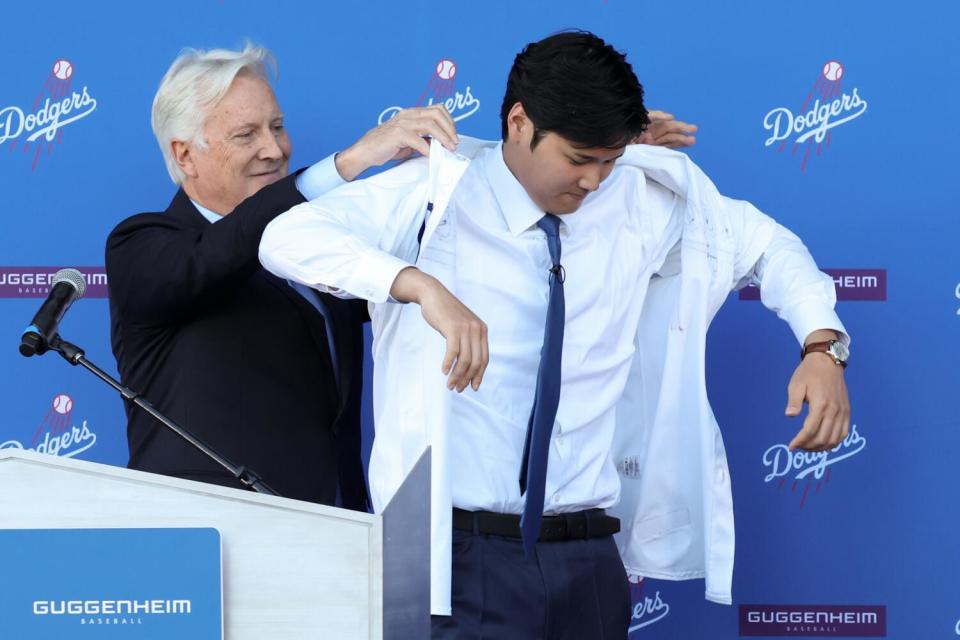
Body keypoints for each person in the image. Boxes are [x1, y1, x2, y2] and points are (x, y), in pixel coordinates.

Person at [261, 31, 818, 637]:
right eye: (579, 159)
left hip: (589, 559)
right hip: (452, 557)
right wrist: (418, 285)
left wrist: (822, 344)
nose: (594, 182)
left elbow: (767, 244)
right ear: (520, 123)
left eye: (610, 160)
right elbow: (283, 239)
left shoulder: (639, 198)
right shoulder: (433, 198)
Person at [105, 44, 465, 507]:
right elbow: (224, 253)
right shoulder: (144, 245)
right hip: (209, 542)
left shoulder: (327, 242)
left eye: (277, 126)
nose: (274, 150)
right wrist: (346, 164)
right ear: (186, 155)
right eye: (246, 135)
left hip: (338, 528)